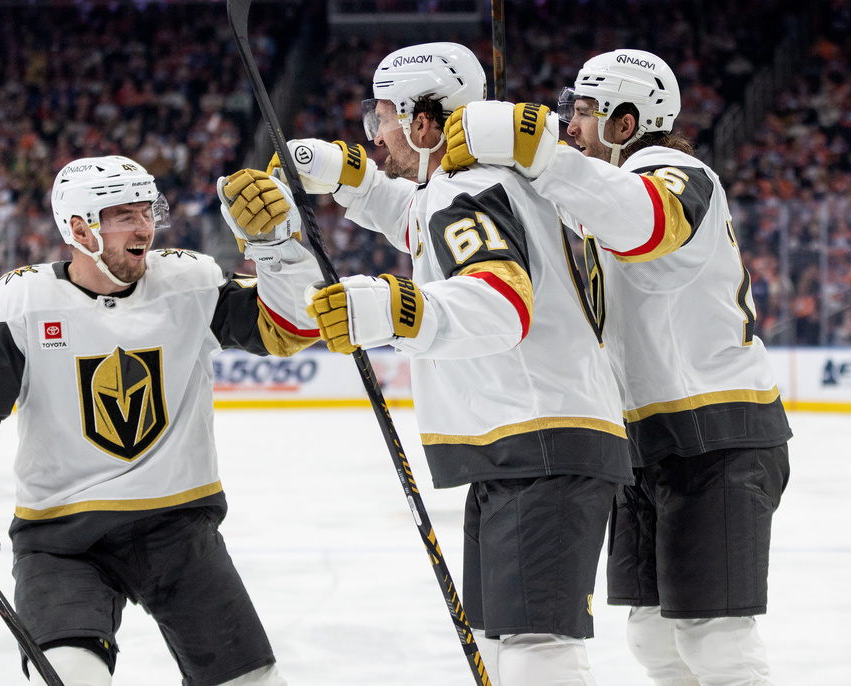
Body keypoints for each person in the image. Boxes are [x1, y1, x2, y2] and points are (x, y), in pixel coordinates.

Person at [252, 42, 632, 685]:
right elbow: (419, 222)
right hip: (523, 440)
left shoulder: (470, 188)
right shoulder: (469, 186)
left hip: (540, 439)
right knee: (500, 646)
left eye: (382, 119)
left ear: (423, 123)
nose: (375, 137)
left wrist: (390, 310)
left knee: (536, 649)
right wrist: (346, 177)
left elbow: (501, 304)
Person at [443, 49, 792, 685]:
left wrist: (538, 153)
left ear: (626, 123)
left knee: (716, 644)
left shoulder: (676, 172)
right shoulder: (595, 192)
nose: (568, 126)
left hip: (721, 432)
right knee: (653, 638)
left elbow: (647, 221)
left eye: (583, 112)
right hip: (646, 442)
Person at [0, 155, 322, 685]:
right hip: (62, 540)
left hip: (178, 529)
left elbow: (290, 330)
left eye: (147, 211)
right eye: (124, 216)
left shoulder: (191, 282)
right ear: (80, 229)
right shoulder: (21, 302)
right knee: (70, 677)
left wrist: (277, 249)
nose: (144, 227)